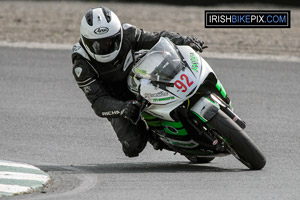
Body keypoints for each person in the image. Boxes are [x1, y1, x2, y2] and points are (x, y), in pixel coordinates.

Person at [71, 7, 205, 158]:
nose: (105, 47)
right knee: (132, 147)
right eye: (97, 44)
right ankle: (157, 137)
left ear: (119, 35)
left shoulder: (129, 33)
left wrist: (185, 40)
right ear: (85, 41)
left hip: (143, 76)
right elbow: (98, 102)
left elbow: (158, 38)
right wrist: (122, 108)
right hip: (117, 99)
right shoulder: (82, 65)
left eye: (111, 41)